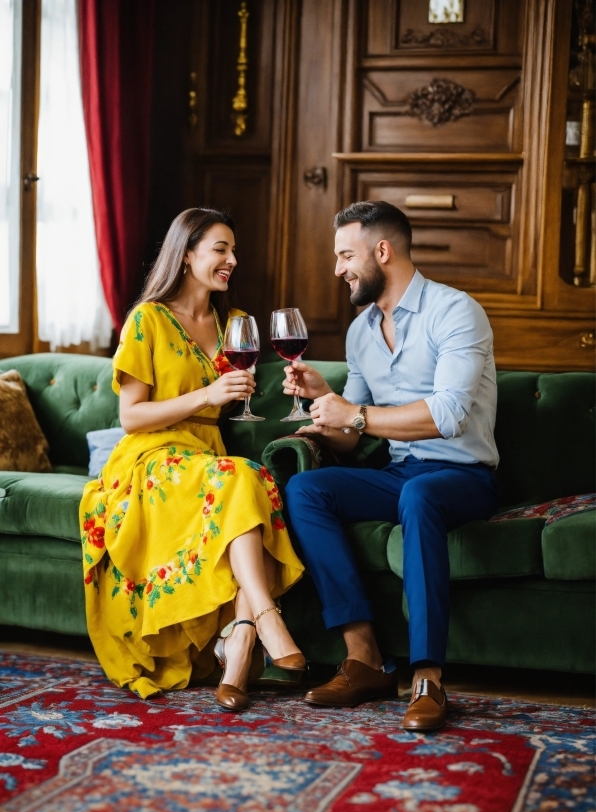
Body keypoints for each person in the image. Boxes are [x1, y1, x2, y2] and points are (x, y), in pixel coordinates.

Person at [283, 200, 499, 731]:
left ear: (382, 251)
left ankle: (428, 677)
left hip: (464, 476)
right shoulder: (360, 333)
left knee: (419, 496)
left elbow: (447, 416)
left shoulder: (455, 311)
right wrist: (324, 401)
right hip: (400, 474)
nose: (338, 269)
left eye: (344, 255)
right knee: (309, 491)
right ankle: (365, 658)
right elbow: (353, 440)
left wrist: (352, 413)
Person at [80, 207, 305, 709]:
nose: (232, 260)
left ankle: (243, 646)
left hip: (207, 456)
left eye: (233, 251)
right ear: (186, 255)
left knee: (253, 481)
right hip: (151, 457)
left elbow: (245, 405)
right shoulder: (148, 320)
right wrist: (207, 395)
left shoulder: (236, 323)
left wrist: (297, 391)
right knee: (240, 481)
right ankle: (266, 619)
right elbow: (132, 417)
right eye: (220, 249)